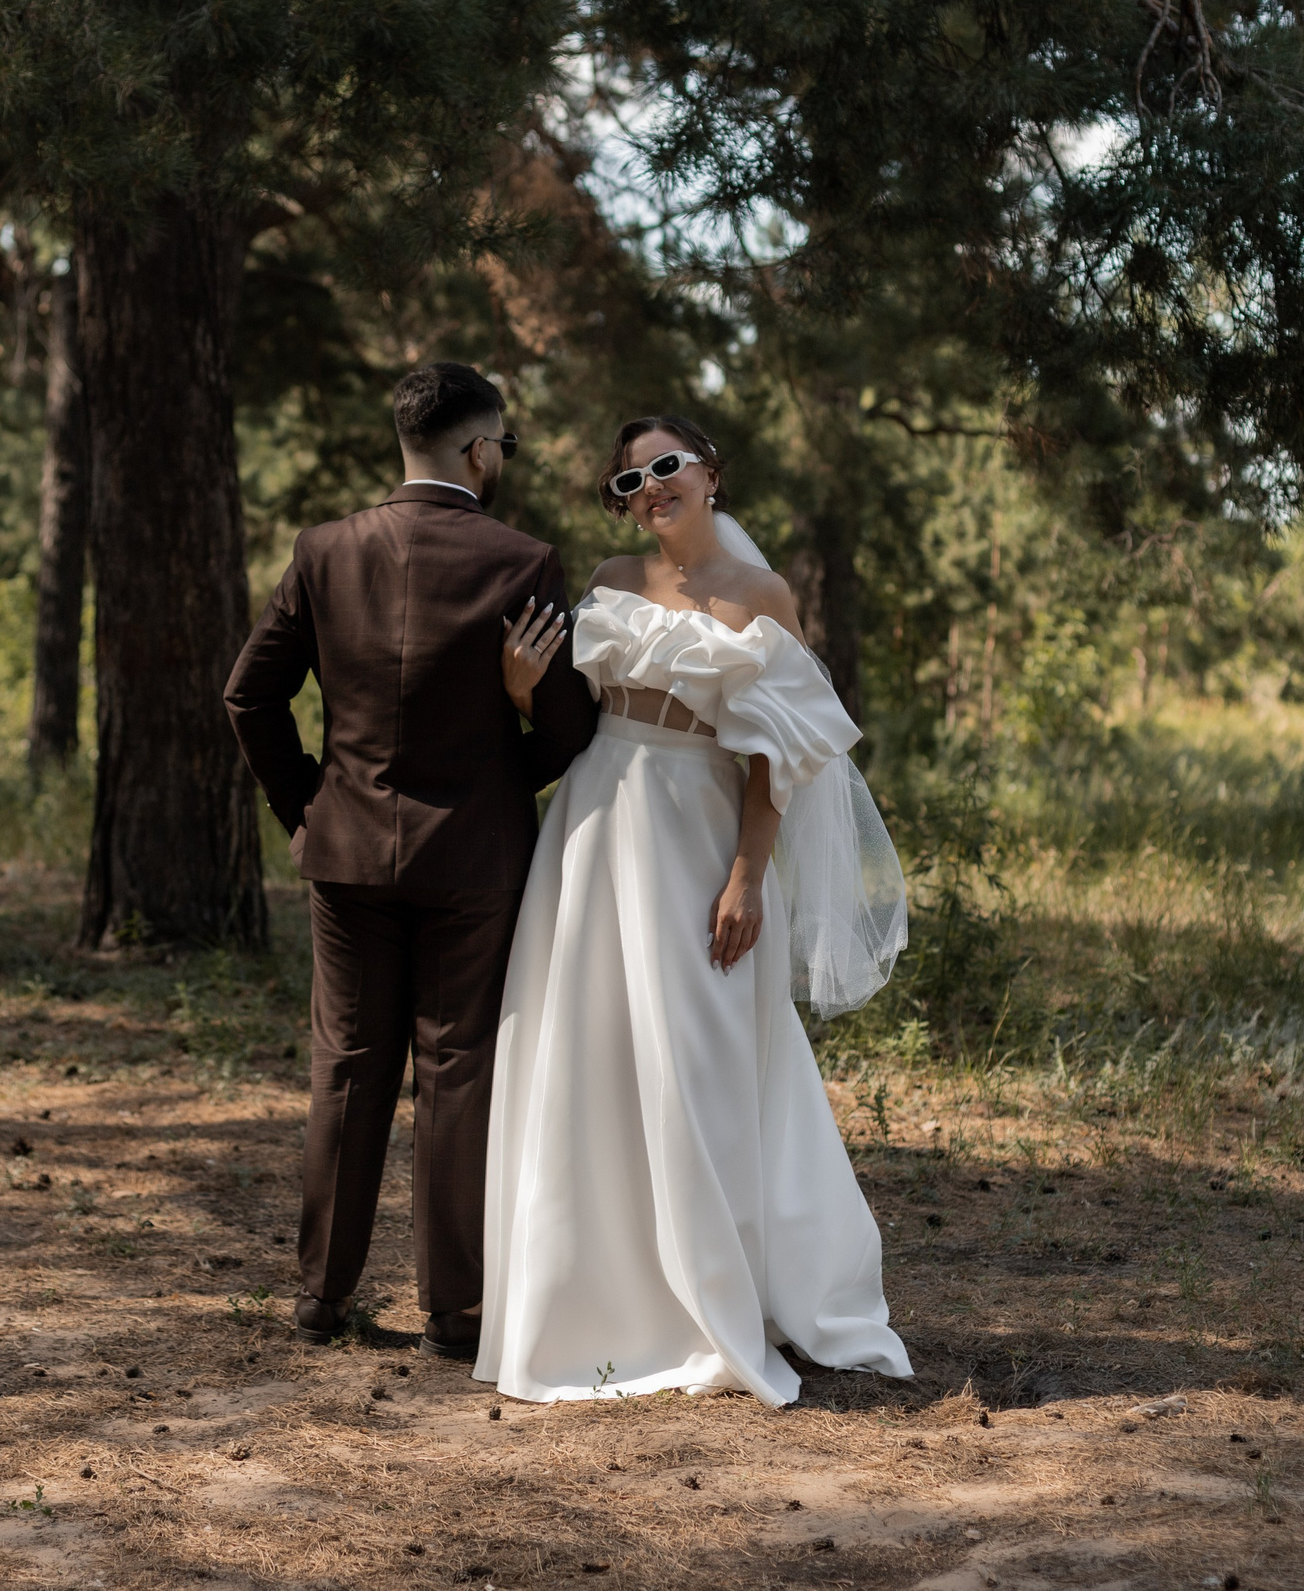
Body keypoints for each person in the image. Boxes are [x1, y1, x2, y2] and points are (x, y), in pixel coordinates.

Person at [474, 415, 913, 1406]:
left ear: (712, 473)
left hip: (700, 837)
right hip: (594, 830)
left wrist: (748, 875)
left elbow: (774, 751)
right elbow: (565, 717)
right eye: (627, 480)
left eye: (667, 468)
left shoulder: (761, 597)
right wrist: (518, 690)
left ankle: (713, 1298)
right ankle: (593, 1305)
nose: (648, 489)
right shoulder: (609, 581)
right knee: (589, 1057)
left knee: (702, 1057)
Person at [224, 361, 598, 1360]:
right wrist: (519, 724)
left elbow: (247, 696)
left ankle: (319, 1295)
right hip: (475, 856)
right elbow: (572, 733)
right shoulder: (523, 562)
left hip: (345, 853)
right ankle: (455, 1313)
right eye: (503, 446)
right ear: (479, 451)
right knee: (458, 1071)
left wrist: (306, 804)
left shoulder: (324, 550)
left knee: (345, 1068)